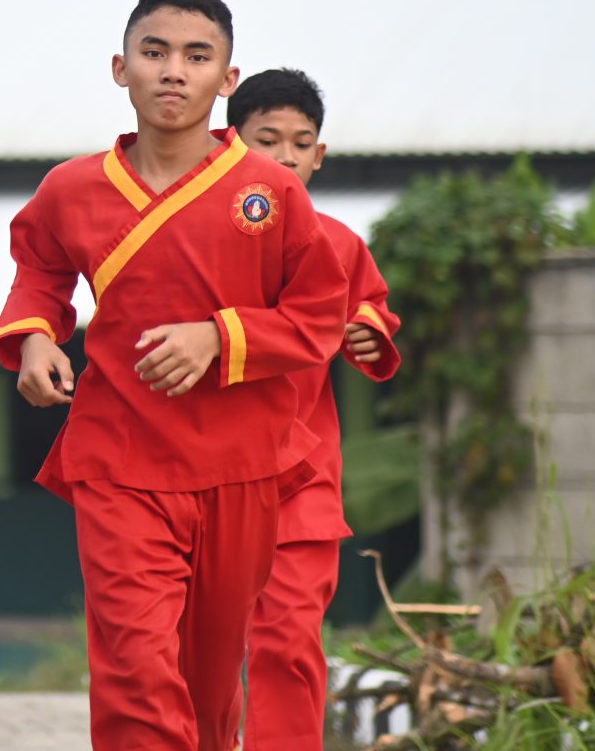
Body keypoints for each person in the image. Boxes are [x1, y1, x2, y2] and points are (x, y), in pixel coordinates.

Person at [0, 0, 347, 751]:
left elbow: (318, 317)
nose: (173, 71)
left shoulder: (272, 192)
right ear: (121, 67)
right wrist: (34, 337)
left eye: (196, 56)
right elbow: (39, 273)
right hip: (119, 458)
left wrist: (220, 337)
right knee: (135, 667)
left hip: (241, 467)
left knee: (209, 683)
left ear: (226, 79)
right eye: (154, 52)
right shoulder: (72, 187)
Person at [227, 69, 403, 751]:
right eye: (267, 138)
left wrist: (366, 330)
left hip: (302, 477)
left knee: (289, 641)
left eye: (301, 141)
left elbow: (372, 310)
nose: (286, 154)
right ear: (228, 143)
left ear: (319, 155)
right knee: (196, 651)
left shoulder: (339, 242)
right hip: (204, 473)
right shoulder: (194, 232)